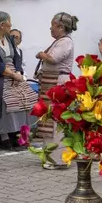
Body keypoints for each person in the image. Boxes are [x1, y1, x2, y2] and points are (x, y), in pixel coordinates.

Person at [0, 11, 37, 149]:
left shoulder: (9, 38)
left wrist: (18, 72)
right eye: (9, 24)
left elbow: (17, 57)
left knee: (28, 96)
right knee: (6, 98)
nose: (11, 26)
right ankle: (5, 136)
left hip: (12, 73)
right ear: (2, 25)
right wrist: (12, 74)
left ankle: (21, 135)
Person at [34, 13, 78, 141]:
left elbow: (53, 58)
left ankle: (56, 147)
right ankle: (49, 146)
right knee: (48, 113)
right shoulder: (60, 41)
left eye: (52, 25)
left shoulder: (65, 42)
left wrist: (42, 54)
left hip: (57, 81)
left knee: (55, 114)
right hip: (51, 80)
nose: (50, 29)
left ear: (61, 27)